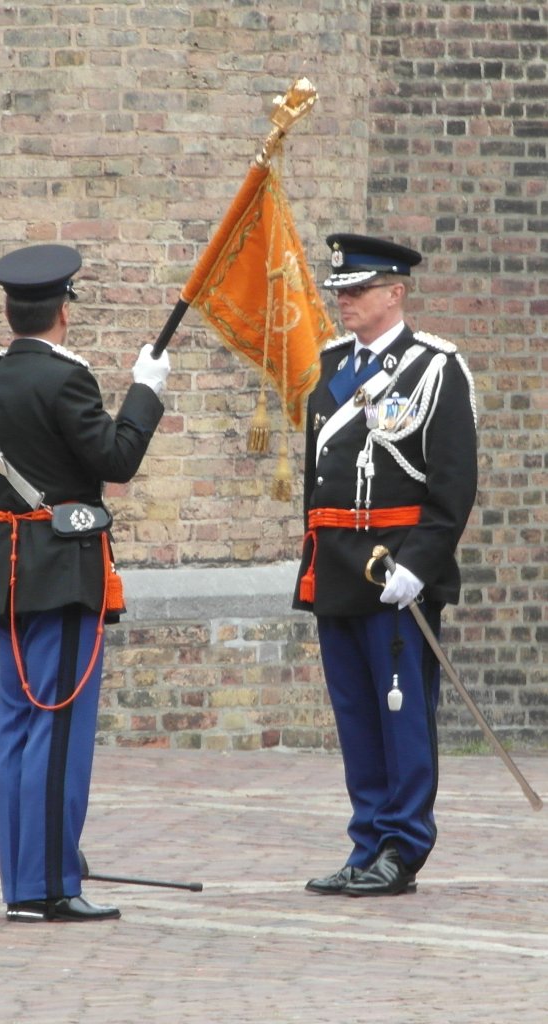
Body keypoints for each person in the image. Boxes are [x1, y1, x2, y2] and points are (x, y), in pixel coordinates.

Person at [0, 244, 170, 922]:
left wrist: (7, 550)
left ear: (11, 311)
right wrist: (146, 391)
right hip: (66, 575)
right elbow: (116, 459)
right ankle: (47, 887)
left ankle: (25, 882)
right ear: (63, 311)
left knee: (18, 732)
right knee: (57, 732)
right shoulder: (66, 379)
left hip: (11, 577)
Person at [294, 233, 478, 897]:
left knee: (401, 716)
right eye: (340, 290)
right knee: (356, 715)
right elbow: (318, 479)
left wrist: (419, 566)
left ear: (395, 293)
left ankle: (402, 844)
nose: (344, 300)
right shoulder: (332, 366)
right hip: (338, 566)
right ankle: (367, 839)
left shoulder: (433, 368)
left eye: (359, 289)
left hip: (394, 569)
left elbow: (452, 483)